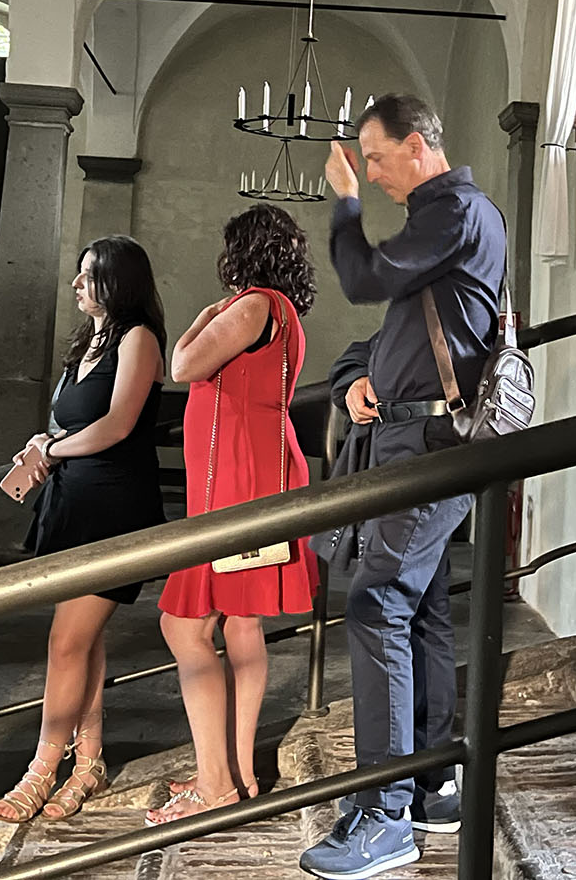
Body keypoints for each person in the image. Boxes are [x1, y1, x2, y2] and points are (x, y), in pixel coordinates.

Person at [299, 94, 504, 880]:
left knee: (377, 603)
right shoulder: (444, 221)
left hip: (428, 443)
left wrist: (345, 203)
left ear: (418, 145)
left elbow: (364, 278)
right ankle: (429, 784)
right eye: (364, 165)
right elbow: (391, 330)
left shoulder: (455, 211)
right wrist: (355, 379)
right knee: (418, 608)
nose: (372, 172)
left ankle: (384, 818)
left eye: (378, 157)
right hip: (412, 436)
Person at [149, 205, 321, 825]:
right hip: (252, 475)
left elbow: (182, 365)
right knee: (241, 625)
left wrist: (202, 316)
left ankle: (215, 784)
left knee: (184, 627)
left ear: (241, 252)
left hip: (238, 484)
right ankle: (239, 773)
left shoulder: (252, 307)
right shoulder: (282, 310)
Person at [0, 236, 166, 825]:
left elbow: (117, 425)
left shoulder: (139, 339)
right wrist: (44, 440)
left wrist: (55, 448)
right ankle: (88, 761)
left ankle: (41, 768)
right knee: (82, 640)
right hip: (71, 504)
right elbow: (72, 420)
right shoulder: (88, 341)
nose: (75, 284)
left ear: (119, 282)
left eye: (88, 275)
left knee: (66, 642)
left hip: (114, 508)